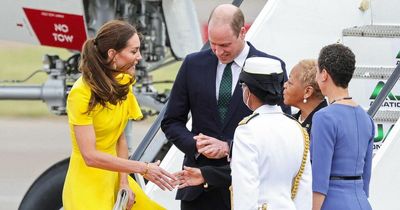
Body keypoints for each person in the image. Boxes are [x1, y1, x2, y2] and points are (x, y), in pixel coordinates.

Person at [161, 4, 289, 210]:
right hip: (198, 189)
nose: (218, 51)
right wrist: (196, 146)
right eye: (213, 44)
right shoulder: (192, 64)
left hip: (248, 187)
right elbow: (171, 121)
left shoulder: (270, 66)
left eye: (225, 45)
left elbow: (279, 128)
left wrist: (229, 147)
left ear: (242, 32)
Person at [62, 20, 176, 210]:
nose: (139, 57)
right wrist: (143, 168)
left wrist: (124, 183)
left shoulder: (123, 82)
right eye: (133, 51)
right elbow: (90, 156)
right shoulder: (81, 93)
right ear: (112, 54)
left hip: (116, 178)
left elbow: (119, 138)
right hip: (88, 186)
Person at [230, 57, 312, 210]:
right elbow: (304, 192)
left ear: (248, 90)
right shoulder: (297, 128)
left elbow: (245, 192)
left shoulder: (247, 130)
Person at [311, 43, 375, 210]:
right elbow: (366, 178)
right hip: (362, 203)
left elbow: (320, 180)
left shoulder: (323, 117)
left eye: (317, 71)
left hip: (333, 203)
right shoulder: (366, 118)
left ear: (324, 74)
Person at [283, 59, 328, 134]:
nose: (284, 85)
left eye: (290, 82)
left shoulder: (325, 125)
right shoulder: (290, 121)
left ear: (307, 92)